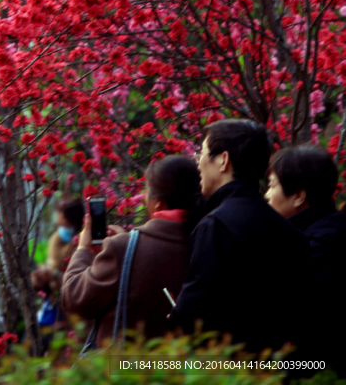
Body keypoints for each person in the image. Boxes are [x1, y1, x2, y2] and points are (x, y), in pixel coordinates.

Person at [171, 119, 311, 354]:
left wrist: (176, 317)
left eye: (203, 153)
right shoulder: (291, 232)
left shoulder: (215, 226)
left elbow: (194, 312)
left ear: (223, 160)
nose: (198, 162)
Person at [60, 156, 200, 345]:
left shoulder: (122, 249)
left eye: (148, 192)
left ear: (158, 203)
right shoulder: (208, 242)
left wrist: (83, 249)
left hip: (130, 370)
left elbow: (75, 298)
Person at [266, 145, 346, 374]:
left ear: (299, 196)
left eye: (272, 186)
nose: (267, 195)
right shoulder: (325, 230)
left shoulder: (317, 247)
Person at [47, 197, 85, 270]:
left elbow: (56, 262)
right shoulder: (58, 237)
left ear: (64, 218)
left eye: (59, 213)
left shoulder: (57, 238)